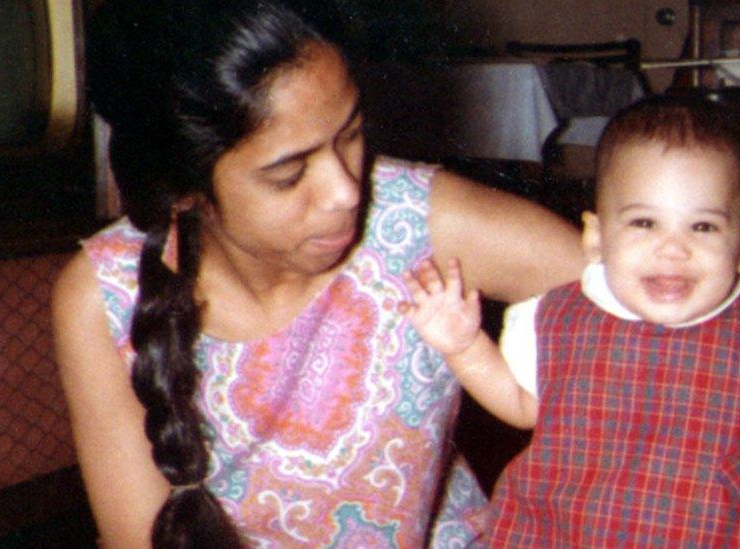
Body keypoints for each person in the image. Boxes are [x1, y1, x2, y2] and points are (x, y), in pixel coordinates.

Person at [50, 1, 587, 547]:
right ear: (183, 188)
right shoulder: (104, 296)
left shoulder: (416, 222)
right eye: (288, 173)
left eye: (351, 134)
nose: (346, 191)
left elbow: (642, 292)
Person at [402, 95, 740, 546]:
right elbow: (520, 403)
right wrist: (465, 347)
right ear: (596, 237)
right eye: (644, 223)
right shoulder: (557, 316)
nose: (673, 248)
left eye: (702, 227)